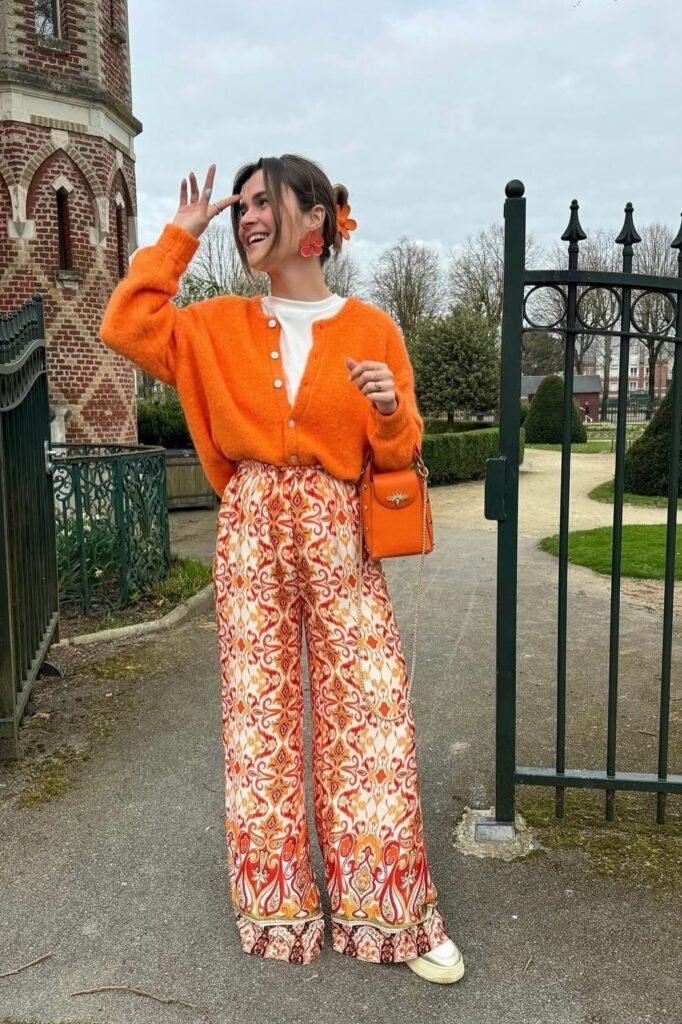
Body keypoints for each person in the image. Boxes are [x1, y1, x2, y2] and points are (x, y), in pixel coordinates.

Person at [100, 155, 464, 984]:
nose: (247, 217)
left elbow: (402, 453)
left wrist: (388, 411)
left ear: (315, 219)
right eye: (242, 207)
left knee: (371, 717)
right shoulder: (217, 325)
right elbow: (123, 327)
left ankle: (391, 912)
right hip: (254, 528)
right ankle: (278, 909)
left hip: (342, 531)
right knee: (260, 720)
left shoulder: (374, 329)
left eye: (265, 202)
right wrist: (177, 240)